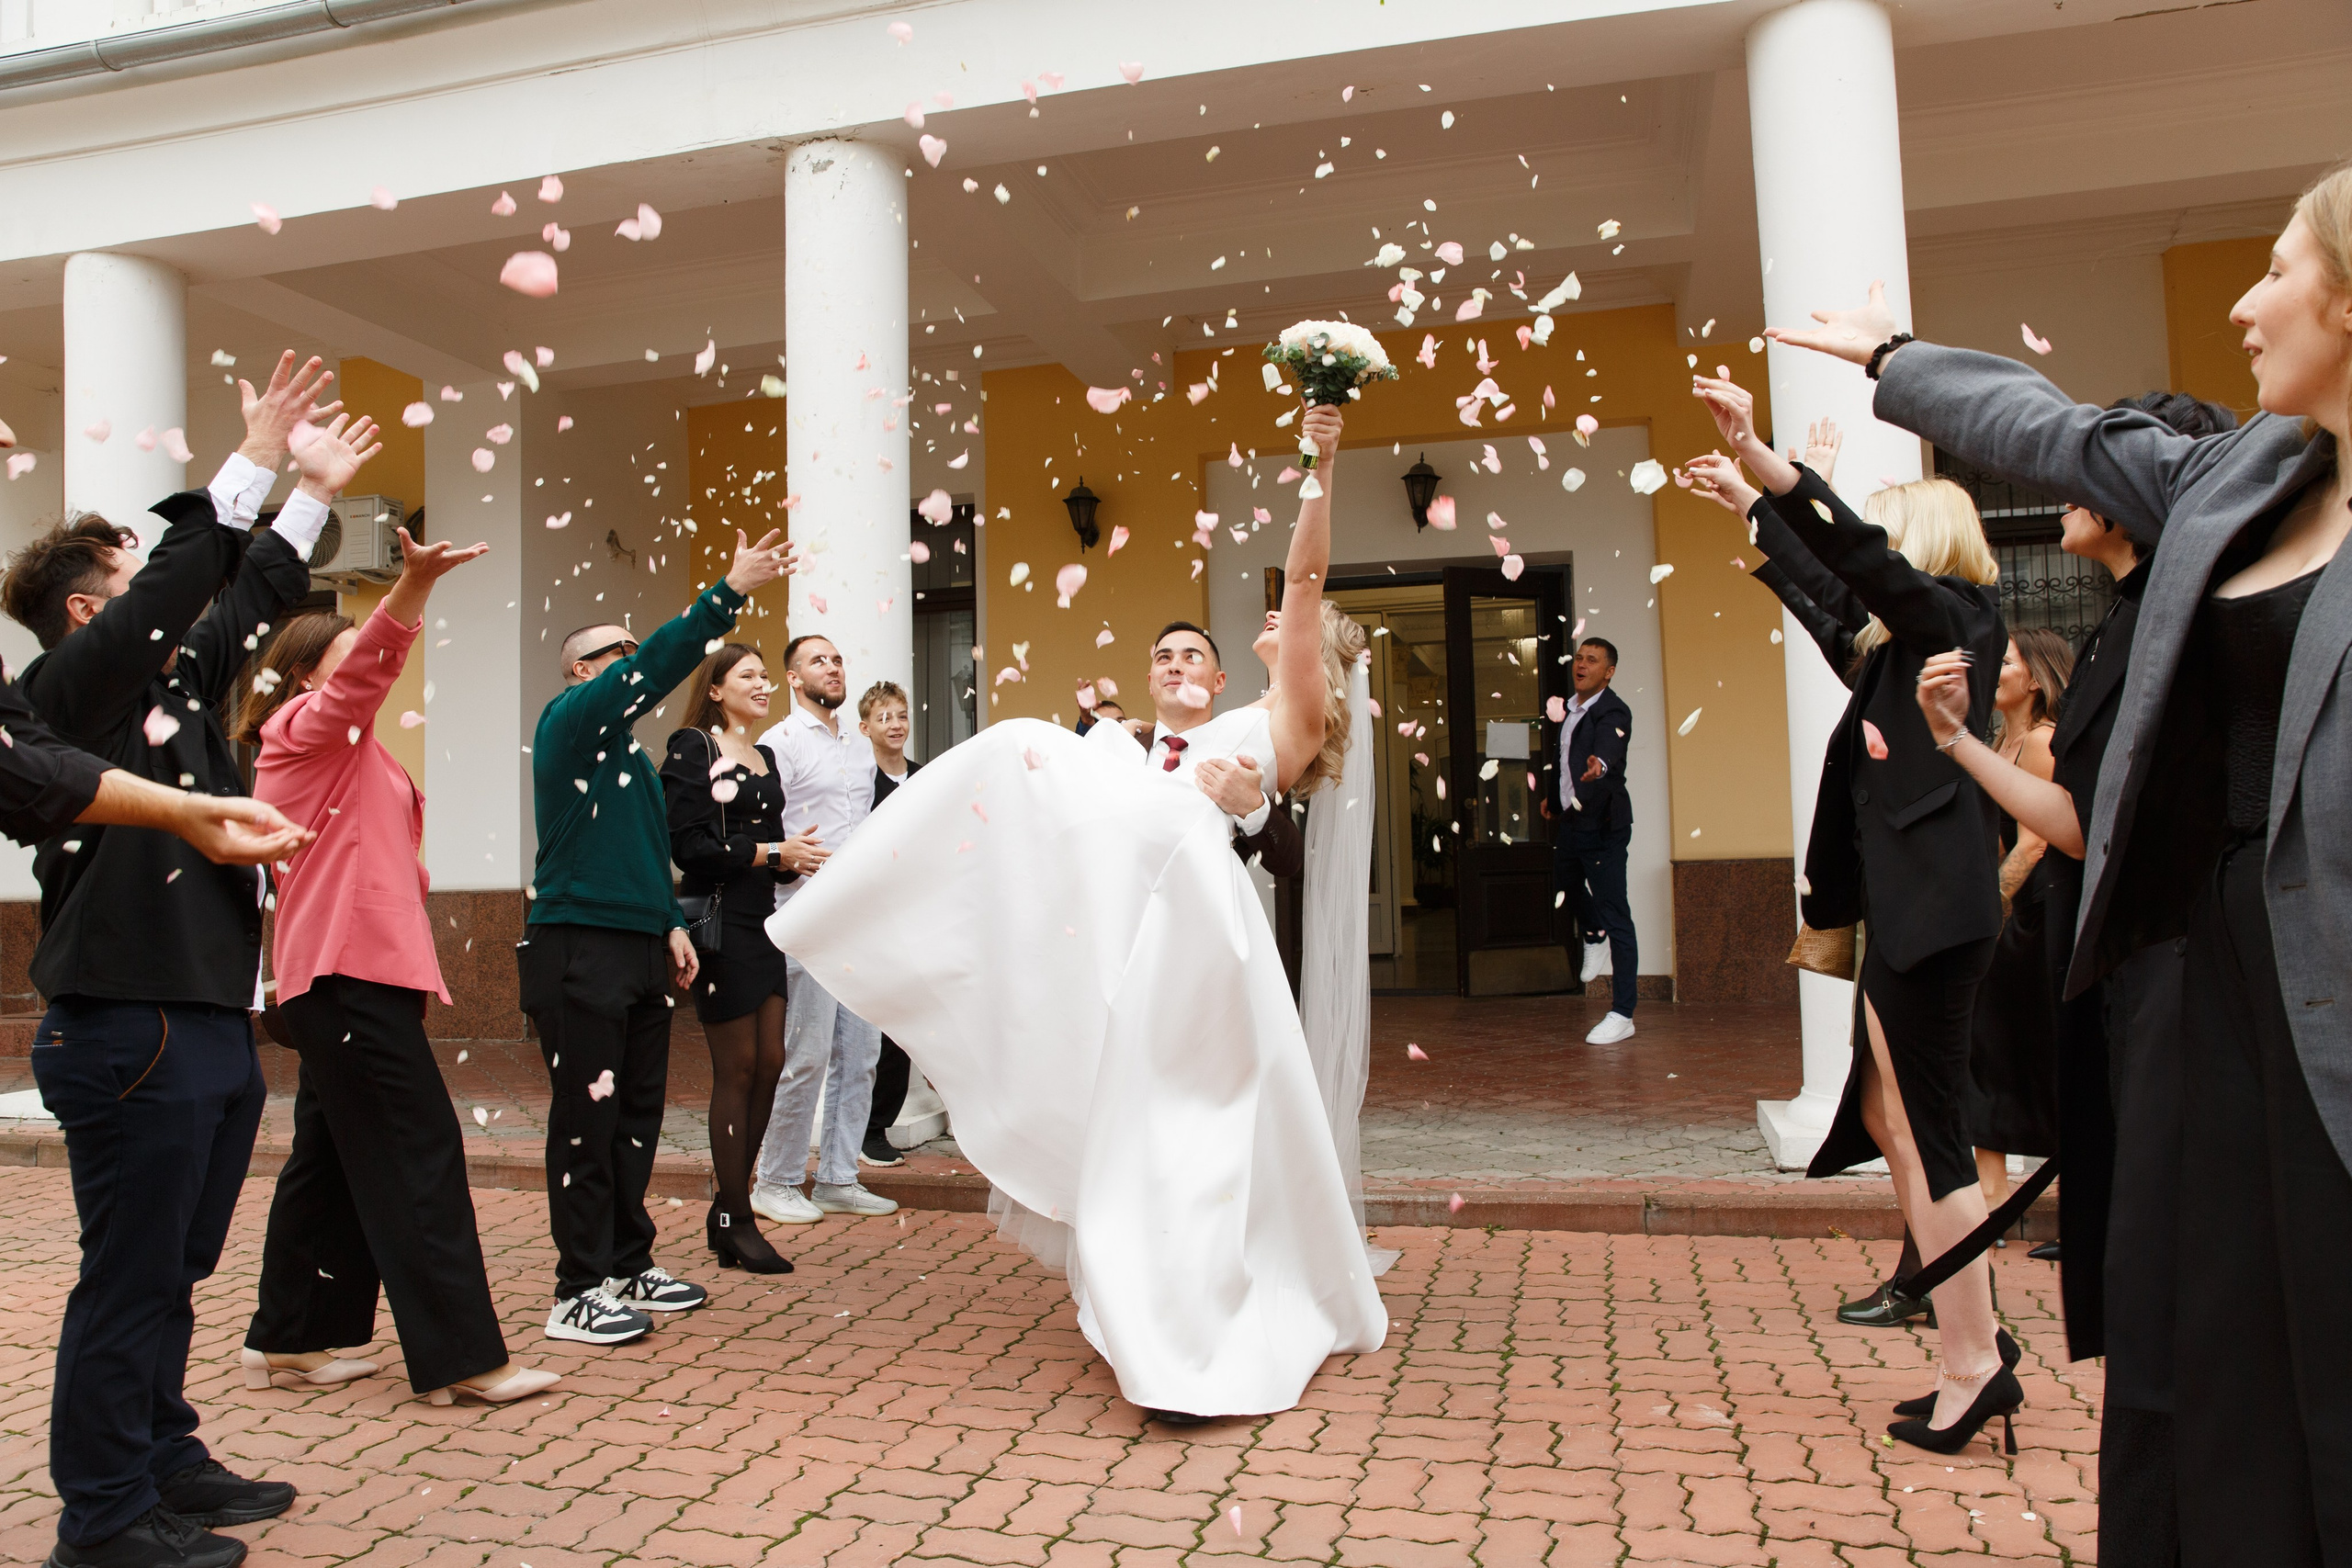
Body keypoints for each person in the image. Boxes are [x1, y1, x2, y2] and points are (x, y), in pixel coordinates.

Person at [1790, 165, 2352, 1560]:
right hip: (2192, 978)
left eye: (2278, 270)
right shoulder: (2245, 476)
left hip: (2325, 981)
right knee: (2193, 1327)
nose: (2245, 298)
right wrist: (1896, 362)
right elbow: (2052, 427)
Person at [768, 401, 1384, 1423]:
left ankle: (1198, 1326)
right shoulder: (1191, 726)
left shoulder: (1292, 707)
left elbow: (1306, 580)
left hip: (1197, 920)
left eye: (1290, 622)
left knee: (1193, 1111)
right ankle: (1145, 1296)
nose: (1277, 616)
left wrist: (1319, 463)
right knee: (1142, 1105)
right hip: (1144, 910)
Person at [9, 353, 352, 1568]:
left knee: (179, 1262)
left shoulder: (176, 686)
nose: (177, 603)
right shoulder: (67, 691)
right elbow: (182, 590)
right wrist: (248, 460)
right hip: (126, 1022)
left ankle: (164, 1454)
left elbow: (246, 597)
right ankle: (102, 1515)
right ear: (96, 610)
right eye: (133, 577)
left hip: (205, 1014)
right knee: (130, 1271)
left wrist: (305, 495)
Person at [1916, 389, 2234, 1568]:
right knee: (2141, 1288)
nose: (2060, 483)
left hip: (2188, 991)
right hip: (2125, 984)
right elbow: (2077, 819)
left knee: (2176, 1290)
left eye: (2084, 460)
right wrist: (1953, 741)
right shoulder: (2119, 621)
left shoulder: (2184, 616)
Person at [1687, 372, 2014, 1459]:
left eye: (1888, 546)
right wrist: (1745, 508)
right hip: (1903, 924)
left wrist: (1773, 468)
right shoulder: (1893, 655)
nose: (1873, 564)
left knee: (1933, 1145)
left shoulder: (1951, 622)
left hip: (1931, 925)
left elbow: (1857, 567)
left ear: (1921, 551)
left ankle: (1974, 1362)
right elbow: (1832, 604)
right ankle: (1967, 1345)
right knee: (1898, 1130)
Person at [235, 522, 560, 1409]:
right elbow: (362, 677)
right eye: (343, 661)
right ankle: (462, 1358)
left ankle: (293, 1338)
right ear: (309, 676)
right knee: (419, 1152)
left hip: (354, 977)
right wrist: (410, 589)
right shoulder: (298, 731)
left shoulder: (356, 752)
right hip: (342, 978)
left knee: (332, 1155)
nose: (369, 675)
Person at [521, 528, 796, 1348]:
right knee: (586, 1117)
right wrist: (727, 591)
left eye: (637, 650)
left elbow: (647, 855)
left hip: (639, 944)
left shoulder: (632, 762)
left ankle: (626, 1259)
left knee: (637, 1111)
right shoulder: (570, 723)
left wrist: (671, 924)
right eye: (618, 652)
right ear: (582, 669)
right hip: (578, 945)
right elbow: (652, 673)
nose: (634, 660)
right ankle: (576, 1289)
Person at [660, 643, 820, 1272]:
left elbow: (766, 850)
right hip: (720, 924)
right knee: (740, 1066)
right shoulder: (692, 746)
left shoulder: (768, 755)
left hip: (764, 919)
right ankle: (737, 1216)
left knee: (772, 1061)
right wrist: (768, 851)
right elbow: (690, 845)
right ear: (717, 688)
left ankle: (728, 1202)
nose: (761, 684)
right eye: (747, 675)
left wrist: (790, 860)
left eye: (763, 675)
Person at [749, 636, 899, 1224]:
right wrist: (781, 856)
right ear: (792, 678)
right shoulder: (777, 743)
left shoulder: (859, 748)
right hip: (803, 912)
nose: (832, 668)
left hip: (854, 918)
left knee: (860, 1054)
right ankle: (776, 1178)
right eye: (818, 661)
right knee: (806, 1054)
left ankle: (839, 1177)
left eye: (837, 659)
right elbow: (763, 822)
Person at [1964, 629, 2073, 1214]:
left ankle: (2051, 1202)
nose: (1992, 670)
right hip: (2015, 920)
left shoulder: (2042, 743)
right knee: (1988, 1051)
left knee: (2028, 1052)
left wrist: (1987, 912)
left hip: (2038, 920)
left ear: (2034, 678)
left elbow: (2034, 845)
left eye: (2004, 662)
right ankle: (1992, 1197)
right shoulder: (1996, 744)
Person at [1548, 637, 1638, 1044]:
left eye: (1593, 660)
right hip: (1572, 819)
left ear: (1609, 671)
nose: (1582, 664)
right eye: (1579, 657)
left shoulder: (1612, 708)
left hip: (1603, 825)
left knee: (1615, 911)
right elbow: (1566, 758)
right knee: (1562, 884)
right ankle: (1593, 932)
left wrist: (1599, 765)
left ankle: (1623, 1012)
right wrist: (1554, 799)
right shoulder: (1571, 709)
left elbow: (1607, 748)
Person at [857, 680, 919, 1168]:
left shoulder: (923, 779)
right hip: (869, 920)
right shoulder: (857, 784)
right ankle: (866, 1127)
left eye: (900, 716)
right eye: (884, 718)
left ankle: (883, 1122)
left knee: (906, 1026)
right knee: (868, 1028)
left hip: (915, 917)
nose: (895, 725)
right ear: (865, 728)